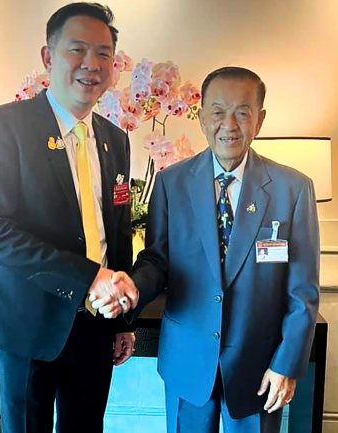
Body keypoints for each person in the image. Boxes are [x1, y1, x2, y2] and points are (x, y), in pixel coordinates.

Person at [0, 3, 139, 433]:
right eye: (77, 49)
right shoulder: (4, 127)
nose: (92, 64)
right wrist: (88, 277)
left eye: (103, 53)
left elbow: (117, 232)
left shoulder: (115, 140)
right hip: (27, 322)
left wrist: (121, 321)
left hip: (95, 324)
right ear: (48, 57)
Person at [127, 66, 320, 433]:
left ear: (260, 120)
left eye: (242, 113)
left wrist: (286, 364)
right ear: (202, 118)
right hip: (187, 359)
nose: (229, 125)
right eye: (218, 112)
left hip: (259, 366)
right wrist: (130, 290)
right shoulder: (170, 183)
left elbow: (303, 292)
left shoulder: (293, 189)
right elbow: (156, 260)